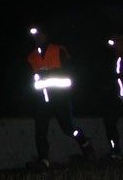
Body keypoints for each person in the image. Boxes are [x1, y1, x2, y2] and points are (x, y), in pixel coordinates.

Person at [25, 26, 91, 165]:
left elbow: (70, 72)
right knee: (40, 130)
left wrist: (49, 74)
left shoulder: (58, 50)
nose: (37, 38)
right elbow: (28, 79)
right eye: (35, 35)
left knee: (68, 128)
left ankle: (86, 146)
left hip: (60, 97)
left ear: (46, 35)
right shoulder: (31, 57)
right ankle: (43, 160)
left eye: (40, 34)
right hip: (42, 99)